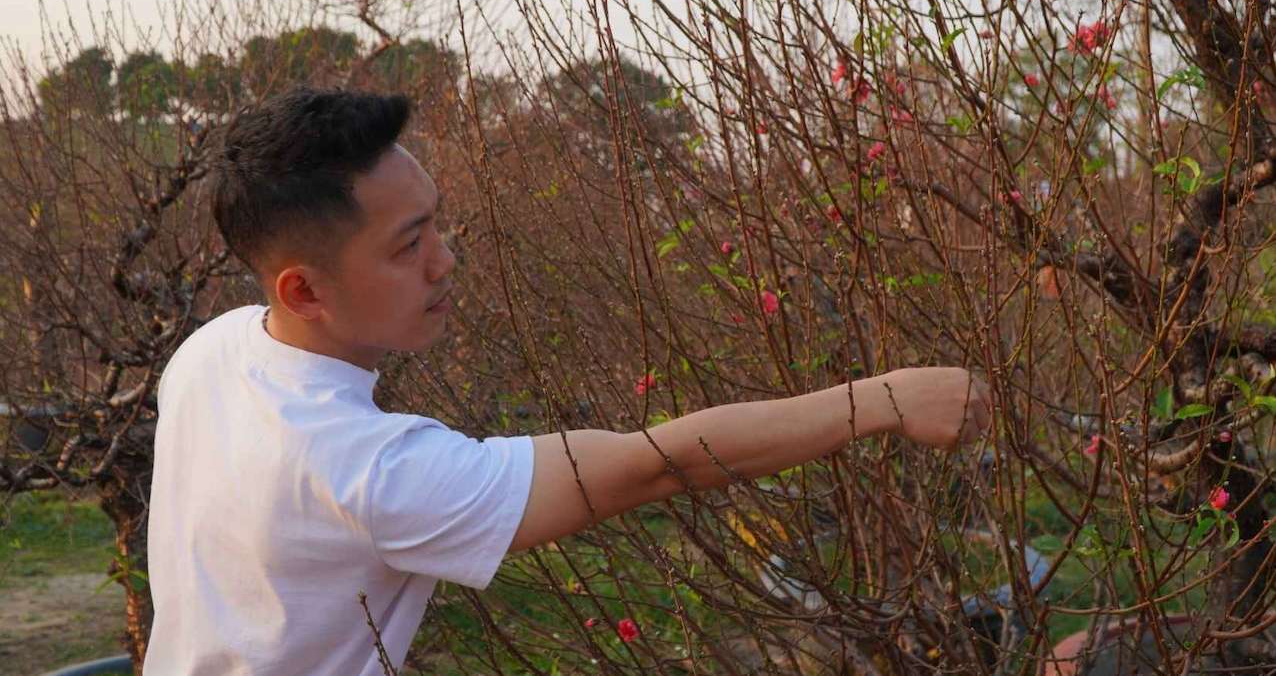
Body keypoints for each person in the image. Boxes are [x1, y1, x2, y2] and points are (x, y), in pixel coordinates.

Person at [143, 86, 993, 675]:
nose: (446, 260)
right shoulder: (371, 475)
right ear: (305, 289)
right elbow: (654, 464)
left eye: (436, 223)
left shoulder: (215, 350)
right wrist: (884, 399)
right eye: (408, 246)